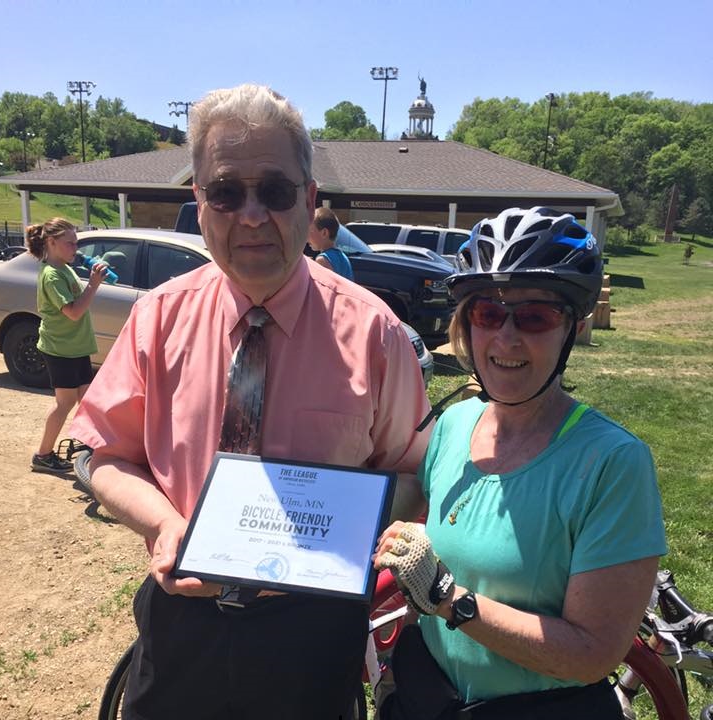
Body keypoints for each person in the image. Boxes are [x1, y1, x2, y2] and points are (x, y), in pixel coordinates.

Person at [70, 84, 431, 720]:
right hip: (180, 615)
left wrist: (346, 531)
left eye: (276, 191)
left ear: (310, 199)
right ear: (199, 205)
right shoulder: (156, 318)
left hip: (312, 630)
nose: (253, 214)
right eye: (227, 192)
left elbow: (412, 473)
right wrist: (163, 525)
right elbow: (102, 453)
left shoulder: (375, 332)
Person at [373, 206, 667, 720]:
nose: (506, 338)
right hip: (432, 698)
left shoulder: (613, 463)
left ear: (572, 328)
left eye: (534, 316)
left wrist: (447, 597)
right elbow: (405, 502)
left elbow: (592, 654)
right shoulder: (454, 424)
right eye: (488, 313)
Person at [24, 218, 107, 474]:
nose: (76, 248)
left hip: (76, 347)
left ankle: (93, 447)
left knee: (87, 400)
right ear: (51, 242)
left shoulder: (65, 268)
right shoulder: (52, 275)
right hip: (60, 349)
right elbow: (73, 312)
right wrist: (93, 284)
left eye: (76, 242)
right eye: (70, 243)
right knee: (65, 403)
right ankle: (43, 455)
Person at [307, 206, 354, 280]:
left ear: (324, 233)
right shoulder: (343, 257)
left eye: (310, 231)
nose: (307, 238)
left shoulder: (322, 260)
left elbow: (321, 290)